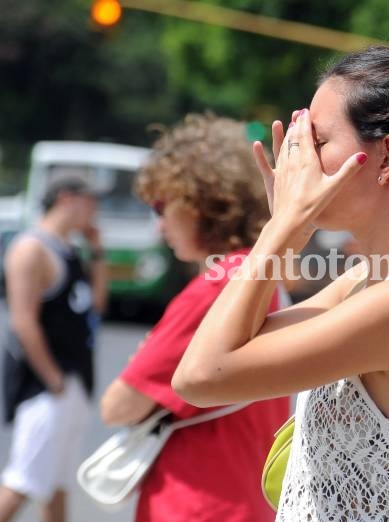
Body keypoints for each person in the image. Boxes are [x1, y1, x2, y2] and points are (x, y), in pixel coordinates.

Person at [172, 47, 389, 521]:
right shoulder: (369, 280)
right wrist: (288, 228)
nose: (298, 160)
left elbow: (200, 377)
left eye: (317, 141)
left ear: (386, 157)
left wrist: (283, 228)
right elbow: (237, 346)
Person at [99, 114, 290, 522]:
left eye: (161, 204)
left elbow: (118, 406)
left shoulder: (215, 288)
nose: (159, 221)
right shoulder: (260, 275)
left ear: (197, 202)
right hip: (247, 496)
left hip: (195, 501)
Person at [0, 177, 107, 522]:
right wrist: (54, 380)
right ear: (66, 198)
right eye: (90, 201)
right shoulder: (31, 249)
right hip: (45, 386)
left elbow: (97, 306)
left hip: (73, 379)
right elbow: (23, 321)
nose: (95, 211)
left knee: (56, 484)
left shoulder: (68, 248)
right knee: (23, 480)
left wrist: (98, 252)